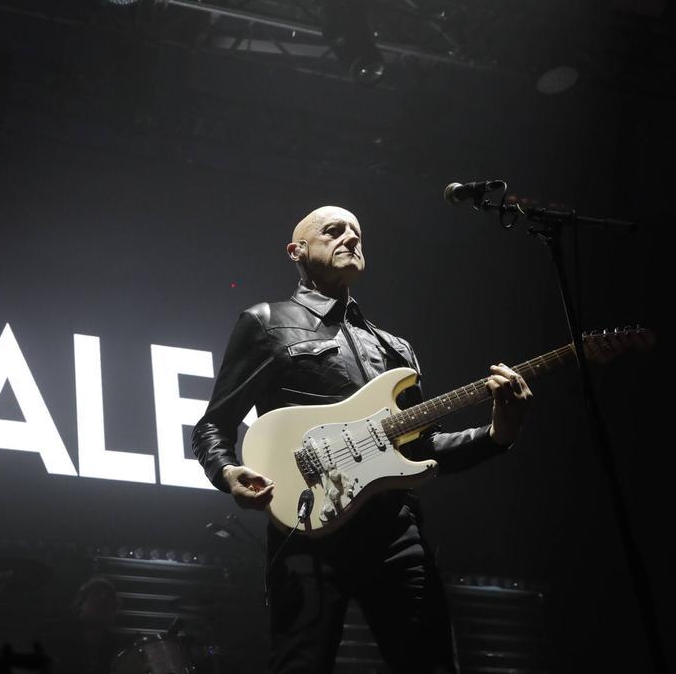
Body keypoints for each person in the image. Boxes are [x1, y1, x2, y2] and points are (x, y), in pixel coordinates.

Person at [191, 206, 532, 673]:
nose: (350, 238)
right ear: (297, 251)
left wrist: (498, 433)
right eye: (333, 231)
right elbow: (213, 424)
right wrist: (227, 472)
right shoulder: (267, 321)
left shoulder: (394, 348)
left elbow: (421, 450)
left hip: (393, 529)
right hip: (306, 524)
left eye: (356, 232)